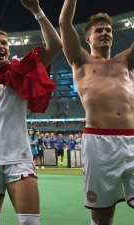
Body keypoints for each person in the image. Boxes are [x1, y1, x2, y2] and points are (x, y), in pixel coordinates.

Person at [0, 1, 61, 224]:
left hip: (18, 159)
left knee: (29, 222)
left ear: (9, 49)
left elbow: (56, 46)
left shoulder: (21, 69)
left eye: (4, 43)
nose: (0, 46)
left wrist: (37, 10)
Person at [60, 1, 134, 223]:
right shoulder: (80, 60)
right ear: (88, 38)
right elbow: (64, 23)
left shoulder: (126, 61)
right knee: (103, 213)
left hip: (133, 137)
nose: (105, 33)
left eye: (108, 30)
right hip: (99, 140)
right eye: (99, 30)